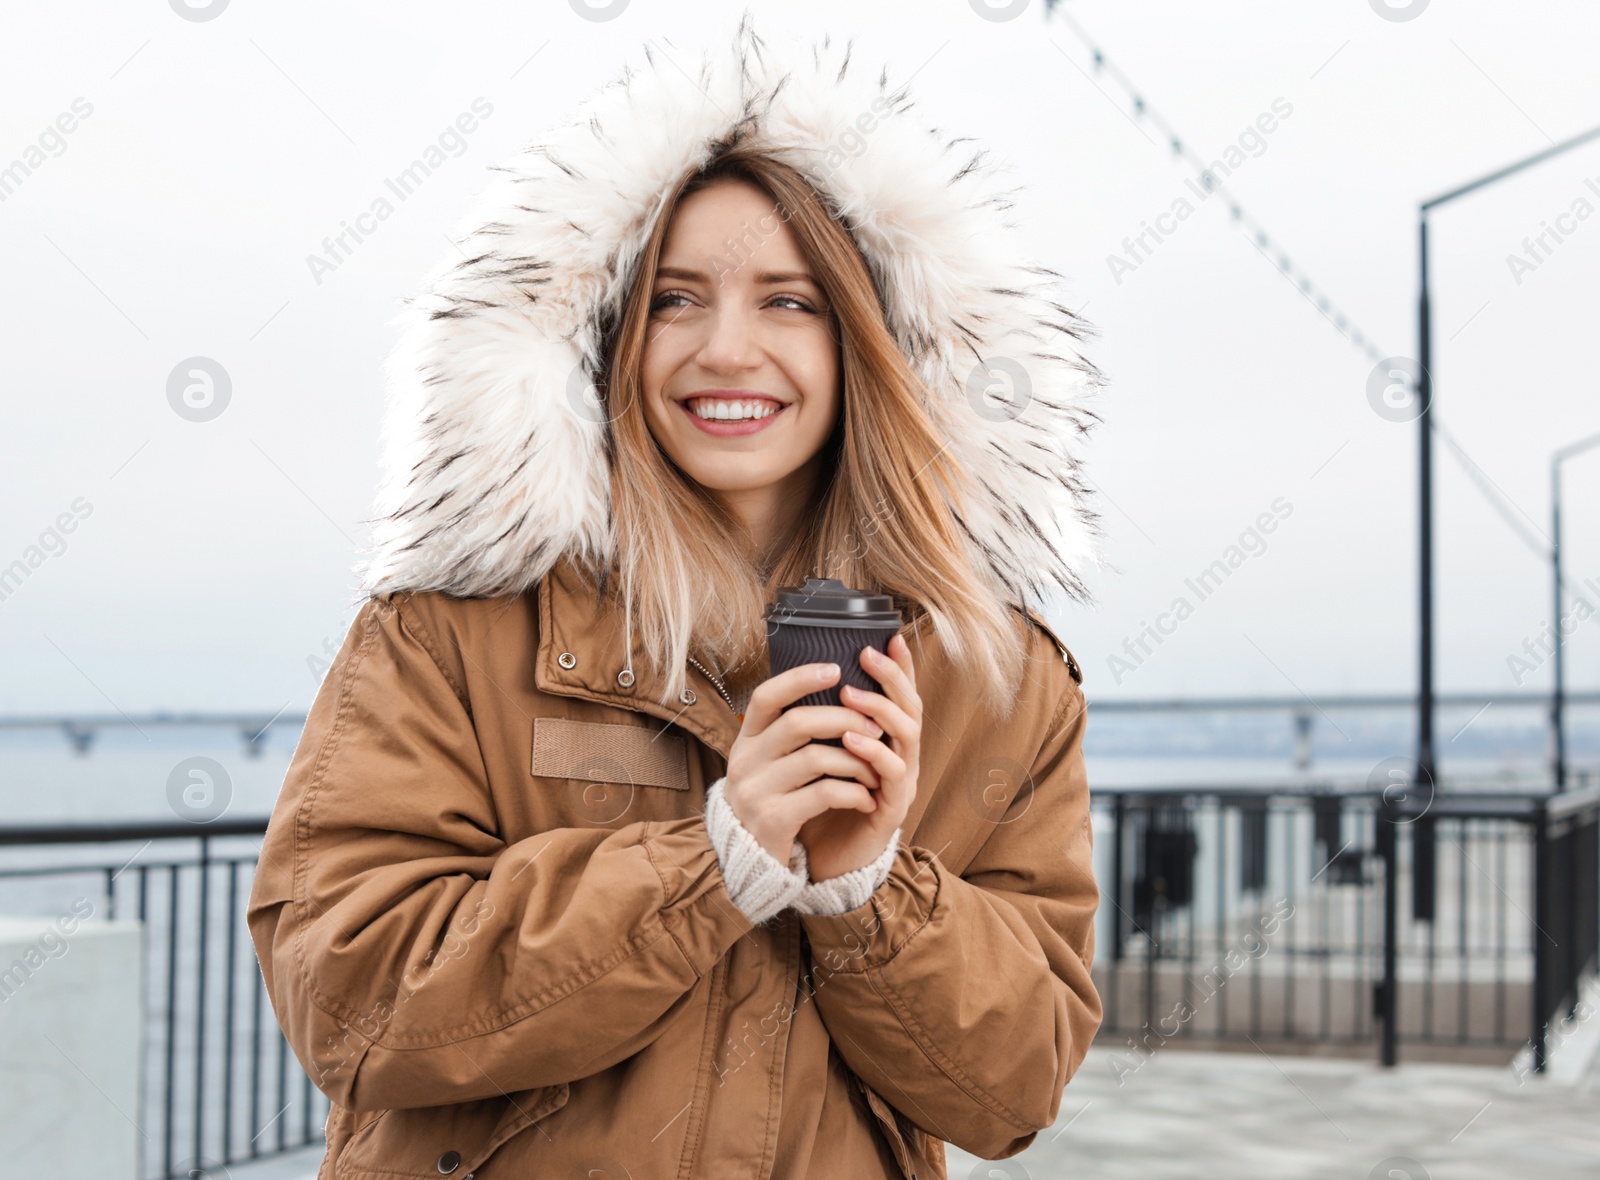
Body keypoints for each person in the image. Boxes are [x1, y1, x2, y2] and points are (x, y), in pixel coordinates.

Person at [248, 14, 1106, 1179]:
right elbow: (348, 1001)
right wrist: (716, 858)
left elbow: (1012, 1089)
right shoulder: (452, 629)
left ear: (870, 349)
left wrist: (866, 886)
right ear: (606, 338)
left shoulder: (996, 678)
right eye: (675, 298)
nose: (727, 351)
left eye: (790, 302)